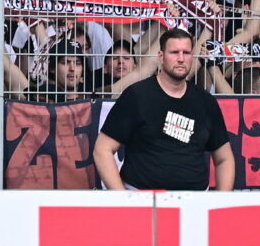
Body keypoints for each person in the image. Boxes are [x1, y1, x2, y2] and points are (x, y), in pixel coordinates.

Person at [95, 25, 234, 192]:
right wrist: (125, 200)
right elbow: (102, 149)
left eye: (186, 52)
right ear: (160, 56)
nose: (181, 58)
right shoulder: (136, 96)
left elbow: (224, 159)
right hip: (143, 201)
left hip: (195, 204)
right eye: (174, 53)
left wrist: (220, 203)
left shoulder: (205, 101)